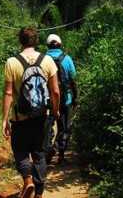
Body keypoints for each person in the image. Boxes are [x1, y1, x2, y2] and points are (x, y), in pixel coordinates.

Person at [2, 27, 60, 198]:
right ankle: (39, 194)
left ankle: (27, 181)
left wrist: (4, 119)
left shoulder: (12, 62)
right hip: (42, 117)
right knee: (39, 154)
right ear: (36, 41)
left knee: (20, 152)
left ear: (20, 41)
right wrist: (55, 112)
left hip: (20, 118)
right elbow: (55, 91)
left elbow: (8, 93)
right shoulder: (48, 60)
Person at [45, 34, 78, 164]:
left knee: (48, 126)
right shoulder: (67, 59)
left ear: (47, 46)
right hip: (66, 99)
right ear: (60, 44)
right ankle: (61, 155)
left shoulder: (42, 59)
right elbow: (73, 80)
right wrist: (75, 97)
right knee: (64, 127)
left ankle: (47, 150)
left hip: (48, 100)